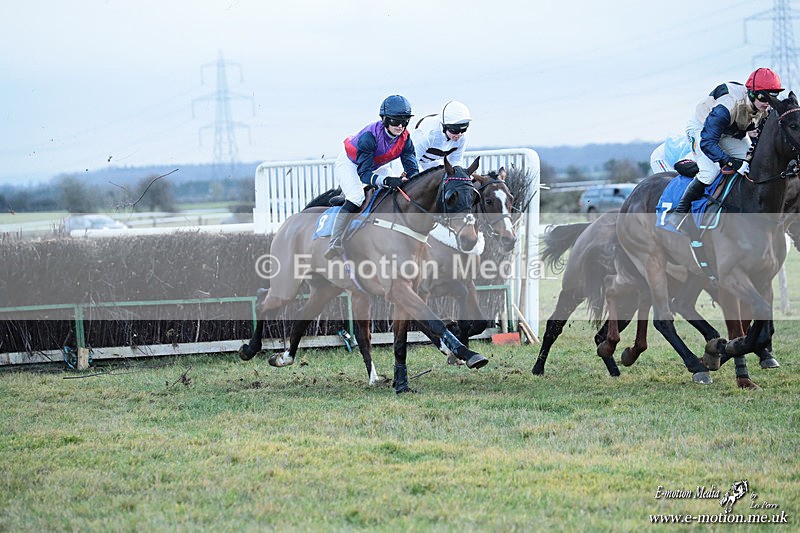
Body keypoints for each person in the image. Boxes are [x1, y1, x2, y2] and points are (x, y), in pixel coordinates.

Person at [667, 67, 783, 227]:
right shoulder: (728, 105)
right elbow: (708, 141)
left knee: (752, 165)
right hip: (702, 129)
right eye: (764, 97)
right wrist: (731, 162)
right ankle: (679, 212)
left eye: (773, 97)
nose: (767, 103)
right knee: (710, 172)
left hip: (730, 132)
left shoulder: (764, 108)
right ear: (752, 93)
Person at [324, 95, 420, 260]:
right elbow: (364, 175)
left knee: (394, 190)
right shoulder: (369, 137)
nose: (400, 126)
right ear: (385, 119)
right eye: (396, 121)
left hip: (376, 165)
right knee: (356, 197)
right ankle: (335, 241)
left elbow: (413, 171)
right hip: (351, 164)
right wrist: (386, 181)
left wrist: (413, 184)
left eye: (405, 121)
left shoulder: (405, 139)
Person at [410, 100, 472, 171]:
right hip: (407, 161)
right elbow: (411, 160)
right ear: (445, 126)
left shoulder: (462, 137)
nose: (459, 135)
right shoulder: (428, 134)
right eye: (455, 130)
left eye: (464, 130)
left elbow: (455, 162)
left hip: (434, 163)